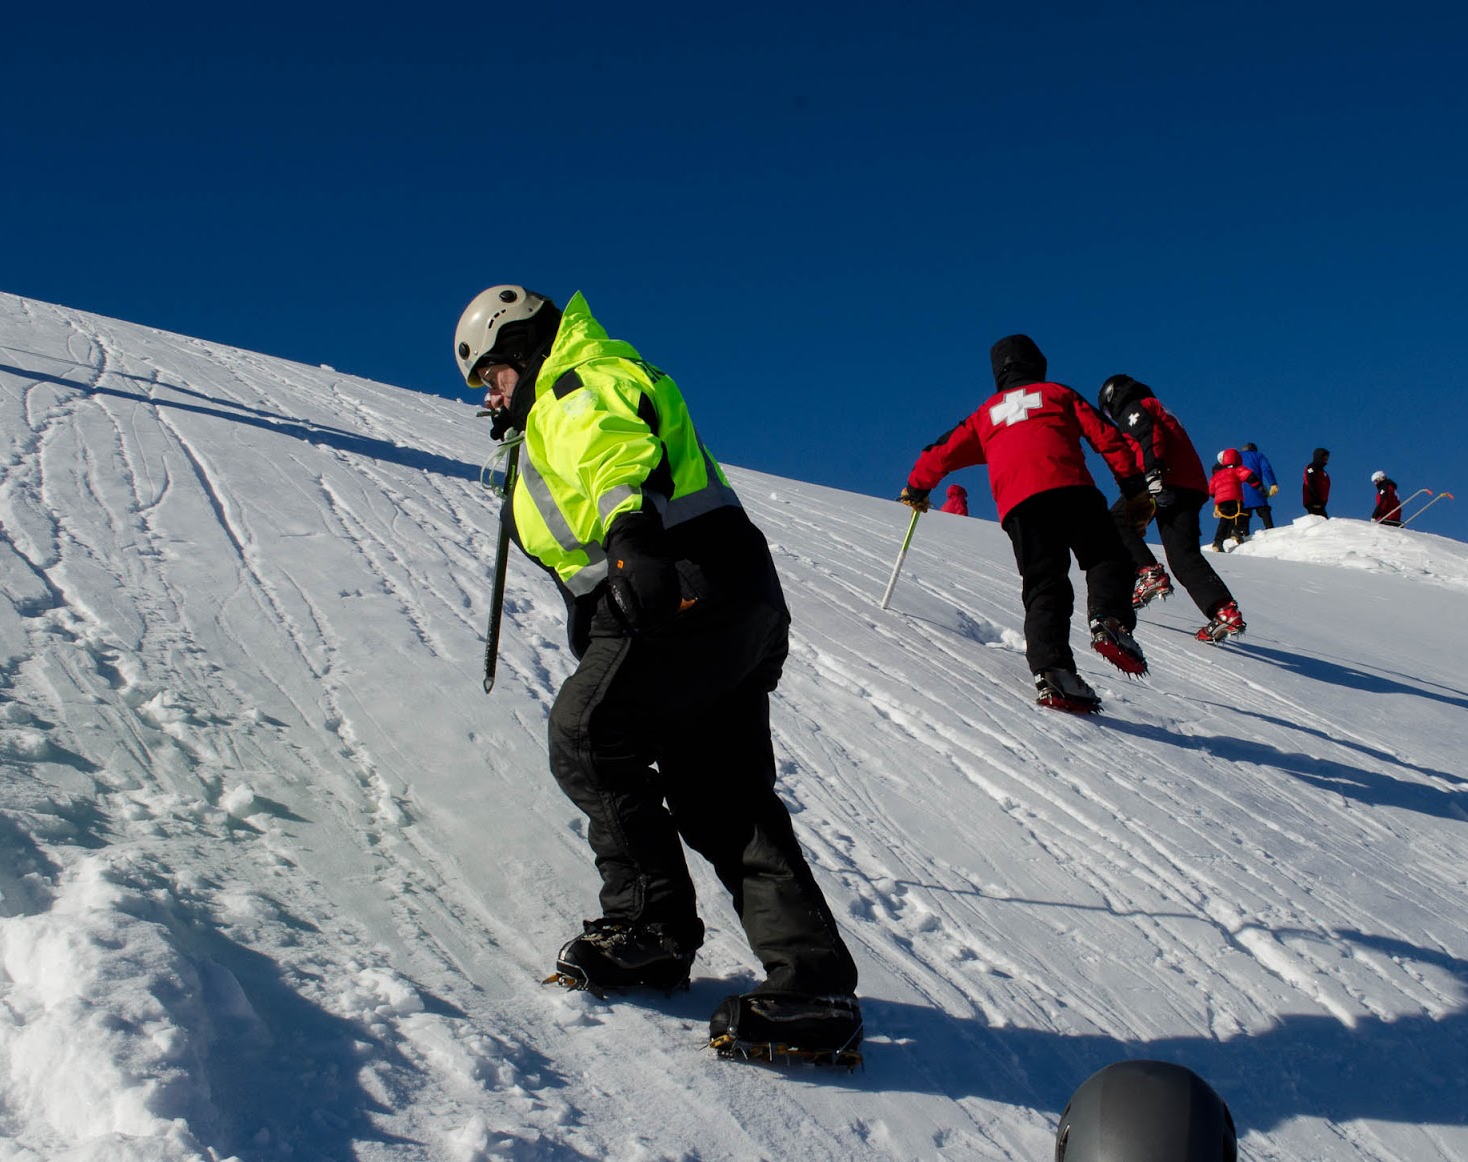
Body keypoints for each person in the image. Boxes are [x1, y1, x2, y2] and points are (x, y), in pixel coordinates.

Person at [454, 285, 860, 1057]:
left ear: (523, 347)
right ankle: (814, 990)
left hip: (680, 582)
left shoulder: (576, 381)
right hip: (732, 593)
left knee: (587, 733)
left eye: (493, 377)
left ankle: (650, 925)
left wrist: (630, 534)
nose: (489, 397)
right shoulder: (570, 390)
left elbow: (612, 450)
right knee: (719, 794)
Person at [899, 335, 1152, 714]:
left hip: (1020, 506)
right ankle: (1109, 619)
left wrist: (917, 488)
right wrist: (1133, 489)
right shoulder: (1058, 394)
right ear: (1037, 364)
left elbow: (940, 452)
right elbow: (1107, 437)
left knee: (1044, 582)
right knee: (1106, 555)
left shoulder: (984, 415)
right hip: (1071, 488)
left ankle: (1054, 674)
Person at [1098, 375, 1247, 644]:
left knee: (1117, 522)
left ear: (1113, 396)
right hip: (1190, 485)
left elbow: (1147, 434)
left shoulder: (1135, 405)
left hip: (1162, 478)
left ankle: (1150, 573)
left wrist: (1152, 473)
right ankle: (1224, 610)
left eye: (1108, 410)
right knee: (1182, 555)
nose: (1111, 416)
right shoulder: (1159, 406)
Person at [1208, 449, 1262, 553]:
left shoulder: (1217, 474)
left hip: (1220, 501)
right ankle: (1236, 531)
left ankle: (1218, 542)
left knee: (1224, 520)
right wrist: (1258, 486)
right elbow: (1249, 476)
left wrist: (1216, 496)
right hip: (1234, 497)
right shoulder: (1237, 469)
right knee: (1242, 514)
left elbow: (1211, 490)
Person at [1238, 442, 1278, 530]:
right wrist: (1273, 483)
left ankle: (1243, 535)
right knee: (1263, 510)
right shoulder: (1258, 455)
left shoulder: (1237, 457)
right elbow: (1266, 469)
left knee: (1243, 514)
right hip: (1257, 486)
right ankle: (1270, 529)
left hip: (1240, 490)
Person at [1303, 448, 1331, 517]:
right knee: (1320, 523)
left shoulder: (1322, 471)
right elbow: (1310, 481)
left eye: (1327, 457)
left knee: (1324, 523)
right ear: (1319, 456)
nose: (1327, 459)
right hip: (1314, 502)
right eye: (1325, 456)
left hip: (1320, 502)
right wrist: (1315, 498)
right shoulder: (1311, 468)